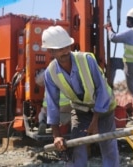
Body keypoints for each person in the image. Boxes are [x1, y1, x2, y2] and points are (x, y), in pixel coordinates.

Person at [41, 25, 119, 167]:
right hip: (80, 111)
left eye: (66, 47)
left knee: (108, 148)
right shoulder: (50, 72)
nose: (64, 51)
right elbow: (52, 105)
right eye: (59, 49)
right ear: (50, 51)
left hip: (104, 109)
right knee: (77, 149)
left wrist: (95, 120)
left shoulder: (86, 60)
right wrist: (56, 135)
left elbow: (101, 90)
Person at [104, 8, 133, 125]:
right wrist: (111, 29)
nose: (125, 22)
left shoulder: (131, 33)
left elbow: (113, 38)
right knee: (112, 62)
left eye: (127, 20)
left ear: (131, 20)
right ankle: (109, 86)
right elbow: (116, 36)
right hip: (130, 62)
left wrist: (108, 29)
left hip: (130, 64)